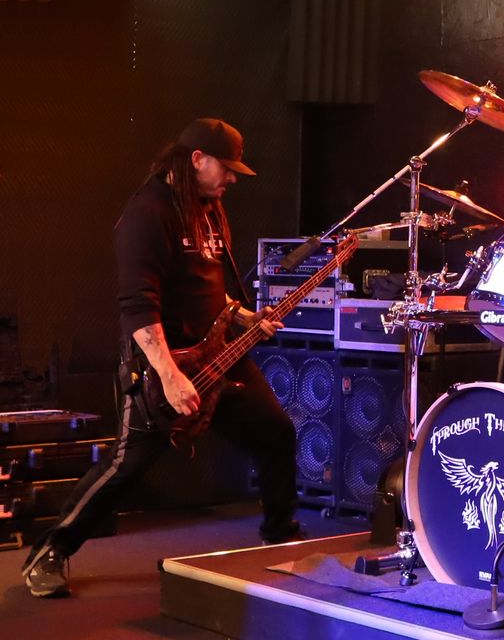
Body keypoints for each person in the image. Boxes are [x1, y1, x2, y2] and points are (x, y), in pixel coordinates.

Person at [22, 119, 301, 599]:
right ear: (197, 160)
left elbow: (205, 288)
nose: (231, 179)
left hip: (219, 356)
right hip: (161, 365)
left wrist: (242, 317)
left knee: (276, 432)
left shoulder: (209, 209)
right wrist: (169, 375)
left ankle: (279, 535)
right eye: (225, 168)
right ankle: (50, 550)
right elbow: (138, 307)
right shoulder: (147, 213)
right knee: (125, 466)